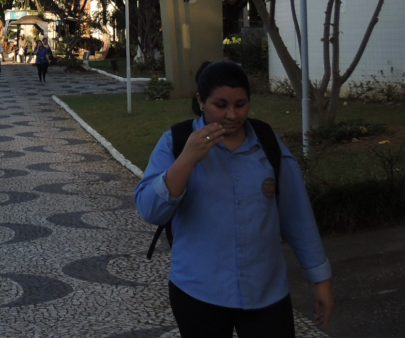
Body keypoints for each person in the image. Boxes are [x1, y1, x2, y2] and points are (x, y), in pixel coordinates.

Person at [135, 61, 333, 338]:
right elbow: (150, 210)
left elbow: (296, 215)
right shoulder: (176, 141)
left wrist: (320, 279)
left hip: (266, 292)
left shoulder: (267, 143)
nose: (232, 115)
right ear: (201, 101)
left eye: (240, 104)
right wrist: (188, 158)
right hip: (198, 291)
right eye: (221, 104)